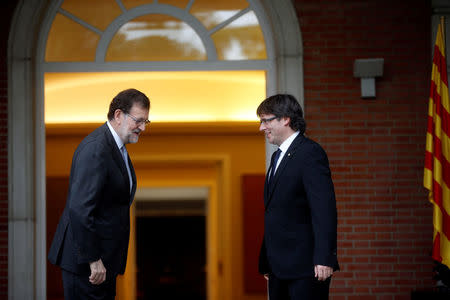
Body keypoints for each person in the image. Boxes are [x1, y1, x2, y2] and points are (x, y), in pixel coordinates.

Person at [48, 88, 151, 299]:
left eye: (146, 122)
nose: (142, 127)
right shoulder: (97, 148)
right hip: (87, 265)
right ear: (118, 115)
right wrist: (93, 259)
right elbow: (80, 209)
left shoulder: (115, 148)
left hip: (101, 265)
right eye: (138, 120)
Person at [257, 94, 339, 300]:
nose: (261, 127)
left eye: (266, 120)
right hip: (278, 267)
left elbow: (324, 209)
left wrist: (324, 257)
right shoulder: (277, 156)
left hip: (306, 267)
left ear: (285, 119)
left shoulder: (310, 153)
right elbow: (275, 211)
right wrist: (267, 260)